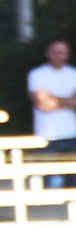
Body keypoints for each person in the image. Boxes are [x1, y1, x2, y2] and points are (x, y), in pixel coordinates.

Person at [28, 39, 76, 188]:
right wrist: (68, 101)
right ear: (48, 53)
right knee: (49, 182)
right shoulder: (37, 74)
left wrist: (52, 99)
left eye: (62, 52)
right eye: (55, 52)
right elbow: (42, 104)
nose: (59, 56)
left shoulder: (73, 74)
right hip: (46, 136)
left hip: (72, 134)